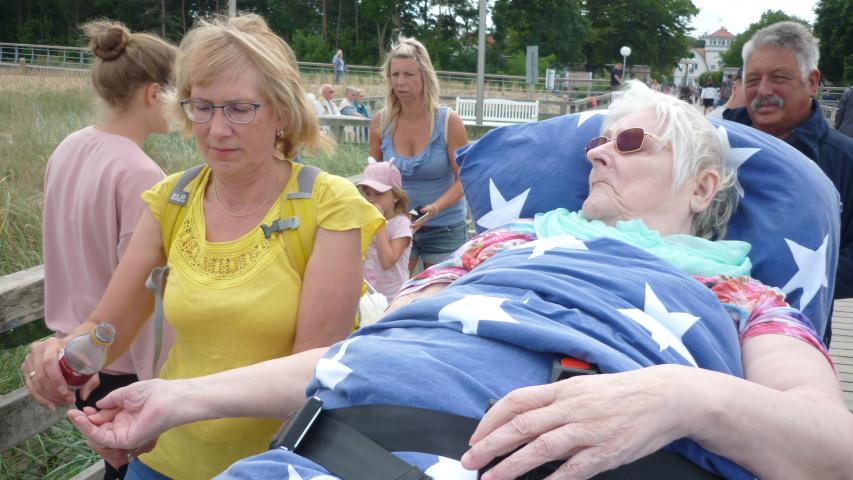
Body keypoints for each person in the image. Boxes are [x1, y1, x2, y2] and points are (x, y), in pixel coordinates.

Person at [68, 81, 853, 480]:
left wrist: (683, 398)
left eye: (630, 142)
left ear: (703, 185)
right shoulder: (497, 246)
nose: (595, 152)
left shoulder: (742, 297)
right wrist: (180, 399)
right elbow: (366, 352)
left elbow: (834, 449)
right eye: (597, 142)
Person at [24, 14, 384, 480]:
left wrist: (177, 402)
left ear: (281, 112)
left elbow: (310, 373)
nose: (216, 129)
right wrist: (64, 354)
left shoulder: (328, 205)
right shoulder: (171, 200)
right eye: (202, 107)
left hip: (268, 466)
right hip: (160, 458)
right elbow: (107, 330)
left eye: (239, 109)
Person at [39, 20, 176, 480]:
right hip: (118, 365)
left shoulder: (69, 146)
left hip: (72, 357)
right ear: (154, 94)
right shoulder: (141, 174)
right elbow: (146, 289)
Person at [723, 21, 853, 343]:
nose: (763, 90)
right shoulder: (711, 147)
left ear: (812, 82)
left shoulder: (844, 160)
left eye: (779, 78)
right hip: (710, 329)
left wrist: (788, 278)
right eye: (753, 80)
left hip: (794, 336)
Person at [368, 37, 469, 272]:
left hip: (445, 227)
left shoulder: (448, 122)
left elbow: (464, 179)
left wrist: (436, 207)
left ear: (425, 76)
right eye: (395, 75)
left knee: (440, 291)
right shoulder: (381, 122)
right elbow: (373, 179)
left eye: (409, 74)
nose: (400, 82)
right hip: (396, 226)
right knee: (391, 290)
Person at [356, 161, 413, 301]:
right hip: (367, 297)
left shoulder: (401, 224)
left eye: (379, 194)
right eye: (367, 194)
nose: (371, 200)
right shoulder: (362, 222)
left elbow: (387, 262)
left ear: (396, 196)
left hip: (394, 298)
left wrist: (379, 223)